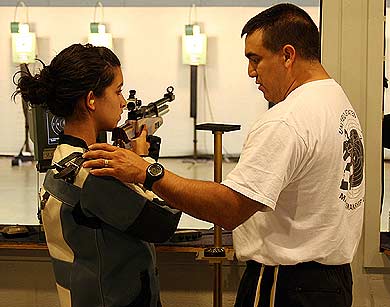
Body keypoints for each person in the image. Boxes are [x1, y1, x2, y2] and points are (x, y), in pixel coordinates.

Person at [83, 4, 365, 307]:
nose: (250, 71)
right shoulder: (336, 100)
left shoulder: (287, 119)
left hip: (286, 285)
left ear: (287, 55)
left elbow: (229, 209)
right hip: (331, 284)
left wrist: (147, 172)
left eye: (255, 59)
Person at [13, 43, 180, 307]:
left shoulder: (64, 160)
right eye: (118, 90)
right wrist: (144, 164)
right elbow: (164, 224)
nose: (124, 102)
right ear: (91, 100)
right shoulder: (93, 173)